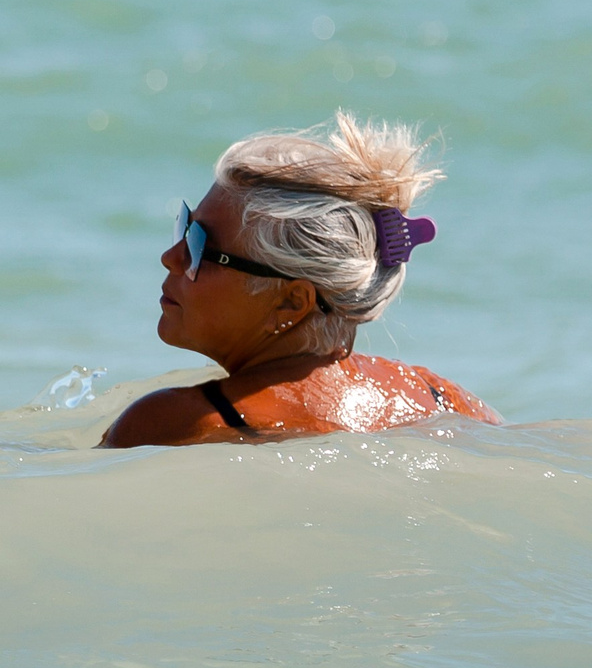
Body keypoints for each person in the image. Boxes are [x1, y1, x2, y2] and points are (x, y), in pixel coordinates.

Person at [102, 113, 499, 446]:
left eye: (200, 244)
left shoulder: (175, 424)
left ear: (291, 302)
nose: (171, 257)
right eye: (184, 226)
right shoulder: (441, 398)